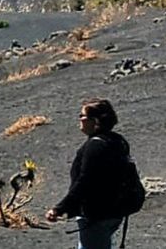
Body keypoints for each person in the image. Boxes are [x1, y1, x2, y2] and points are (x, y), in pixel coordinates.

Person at [46, 98, 130, 249]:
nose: (80, 119)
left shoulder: (94, 146)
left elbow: (85, 182)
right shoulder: (118, 141)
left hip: (95, 213)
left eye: (82, 116)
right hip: (115, 210)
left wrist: (59, 208)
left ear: (95, 120)